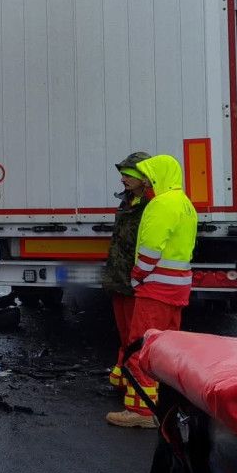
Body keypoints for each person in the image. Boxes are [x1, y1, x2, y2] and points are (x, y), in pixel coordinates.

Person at [107, 154, 198, 429]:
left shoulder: (160, 205)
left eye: (147, 173)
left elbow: (150, 248)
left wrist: (138, 276)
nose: (144, 178)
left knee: (141, 344)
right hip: (176, 287)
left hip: (156, 287)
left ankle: (141, 411)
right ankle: (165, 399)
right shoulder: (184, 203)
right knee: (165, 346)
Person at [100, 152, 151, 392]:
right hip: (119, 279)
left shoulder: (152, 205)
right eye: (122, 174)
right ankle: (123, 375)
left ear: (145, 177)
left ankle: (137, 387)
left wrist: (139, 275)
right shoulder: (128, 200)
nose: (123, 179)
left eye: (129, 174)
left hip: (137, 281)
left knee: (136, 335)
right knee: (124, 333)